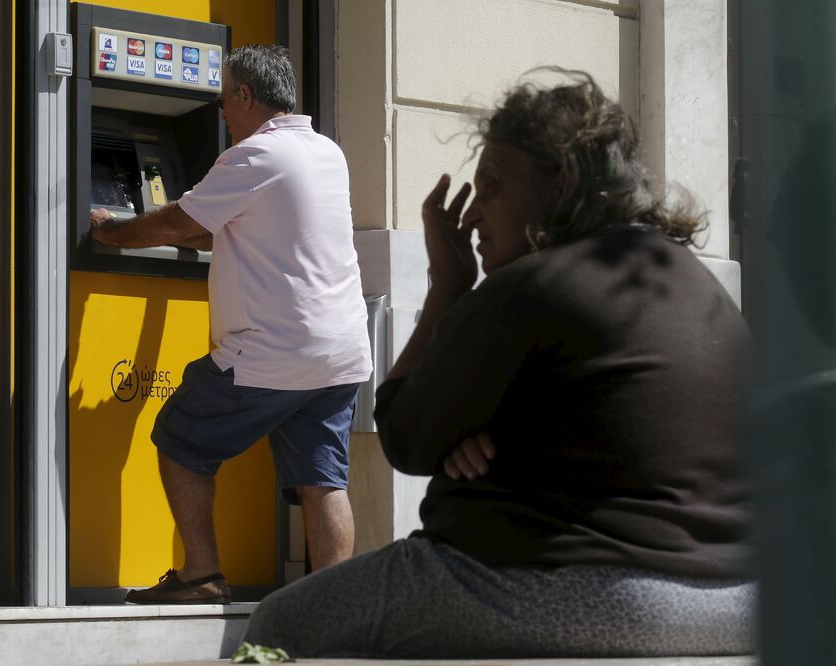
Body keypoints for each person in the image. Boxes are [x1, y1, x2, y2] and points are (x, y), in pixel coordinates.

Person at [241, 70, 754, 657]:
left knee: (282, 623)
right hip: (739, 596)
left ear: (560, 182)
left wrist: (448, 285)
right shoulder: (691, 281)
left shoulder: (535, 284)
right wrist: (480, 437)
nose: (476, 214)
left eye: (492, 187)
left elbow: (408, 435)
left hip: (590, 590)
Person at [90, 45, 372, 604]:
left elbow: (177, 219)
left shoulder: (255, 156)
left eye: (223, 100)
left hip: (274, 351)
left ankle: (200, 575)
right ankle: (332, 607)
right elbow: (223, 228)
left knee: (179, 436)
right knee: (323, 479)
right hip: (339, 353)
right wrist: (179, 231)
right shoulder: (324, 152)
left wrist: (110, 231)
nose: (221, 113)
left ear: (246, 95)